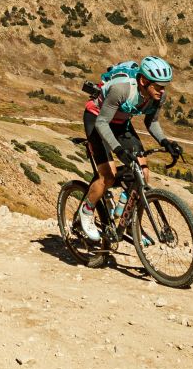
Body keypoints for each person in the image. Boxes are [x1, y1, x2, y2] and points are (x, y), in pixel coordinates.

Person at [75, 55, 182, 243]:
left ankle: (132, 224)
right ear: (143, 80)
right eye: (158, 86)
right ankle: (87, 211)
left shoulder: (158, 97)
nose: (162, 91)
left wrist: (165, 142)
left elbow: (152, 121)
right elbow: (102, 122)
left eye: (164, 86)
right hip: (97, 119)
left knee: (144, 172)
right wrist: (118, 150)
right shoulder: (122, 89)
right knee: (107, 175)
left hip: (121, 123)